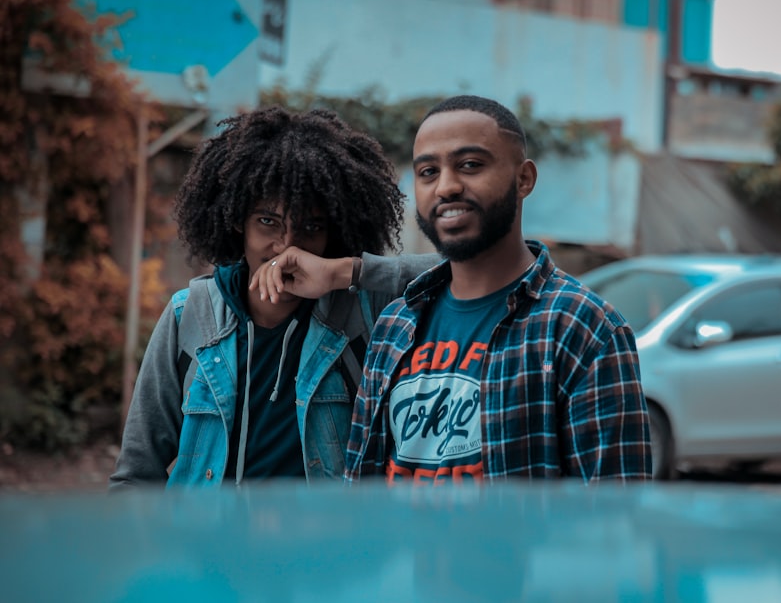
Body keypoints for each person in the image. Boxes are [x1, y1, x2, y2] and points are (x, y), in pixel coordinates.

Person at [109, 106, 438, 489]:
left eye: (311, 227)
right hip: (206, 545)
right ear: (237, 221)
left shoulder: (362, 313)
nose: (287, 247)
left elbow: (475, 269)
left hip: (320, 545)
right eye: (268, 222)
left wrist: (345, 272)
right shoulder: (191, 315)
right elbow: (136, 473)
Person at [340, 95, 651, 484]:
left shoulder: (583, 328)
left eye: (470, 165)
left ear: (524, 179)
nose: (446, 187)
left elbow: (613, 514)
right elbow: (358, 488)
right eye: (428, 172)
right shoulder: (394, 325)